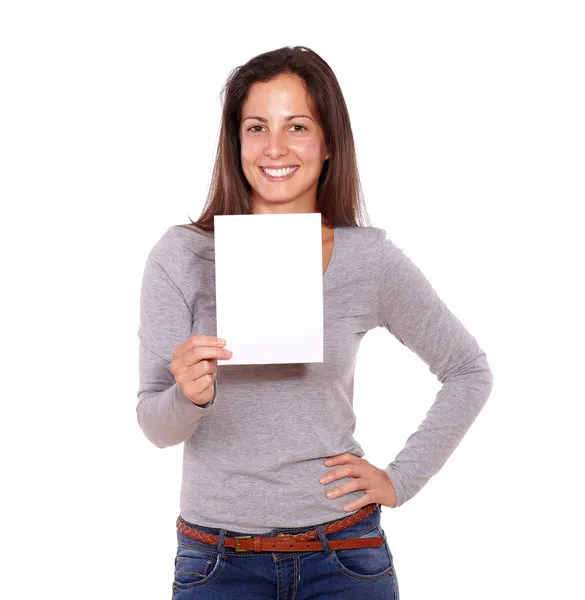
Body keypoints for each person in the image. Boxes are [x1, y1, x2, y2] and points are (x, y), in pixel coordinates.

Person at [136, 46, 494, 599]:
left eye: (296, 125)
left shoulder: (367, 259)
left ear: (327, 143)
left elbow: (468, 369)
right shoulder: (181, 255)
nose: (274, 148)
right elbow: (155, 426)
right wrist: (188, 394)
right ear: (237, 144)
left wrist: (400, 480)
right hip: (218, 562)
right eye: (257, 127)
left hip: (343, 557)